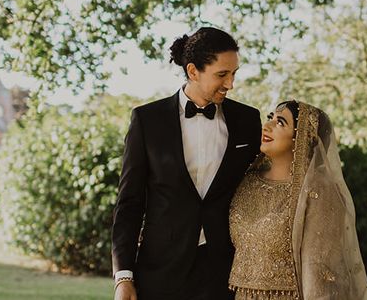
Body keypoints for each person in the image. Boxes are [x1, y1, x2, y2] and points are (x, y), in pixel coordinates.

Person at [112, 27, 262, 300]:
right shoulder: (147, 121)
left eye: (234, 74)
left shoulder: (248, 121)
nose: (230, 84)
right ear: (193, 71)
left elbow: (258, 190)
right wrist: (123, 276)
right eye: (222, 74)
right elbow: (129, 204)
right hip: (160, 274)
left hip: (224, 275)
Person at [228, 100, 367, 300]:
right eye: (270, 118)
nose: (267, 126)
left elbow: (323, 272)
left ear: (302, 138)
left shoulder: (318, 191)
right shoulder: (247, 181)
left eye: (280, 123)